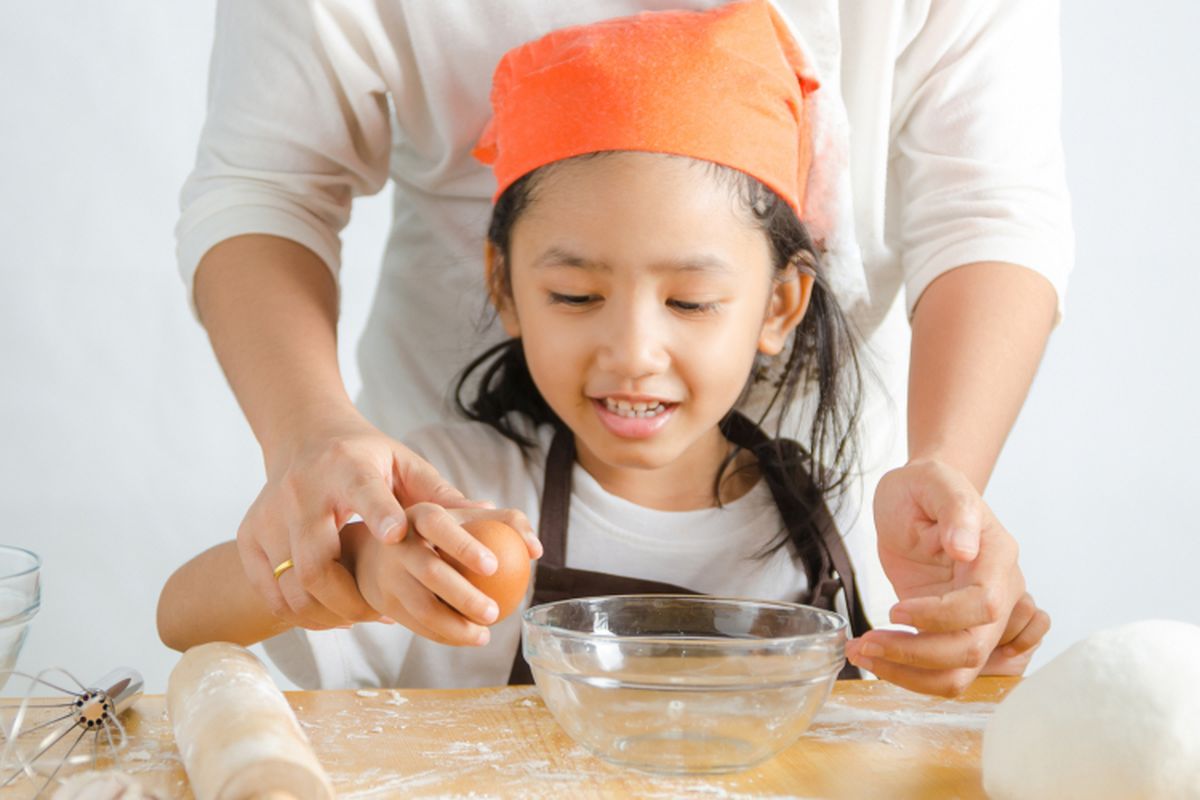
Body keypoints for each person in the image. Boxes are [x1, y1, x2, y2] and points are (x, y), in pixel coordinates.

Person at [161, 0, 1049, 694]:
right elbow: (180, 616)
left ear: (780, 305)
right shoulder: (460, 500)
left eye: (692, 300)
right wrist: (350, 561)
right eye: (577, 294)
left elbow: (990, 209)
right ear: (503, 288)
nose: (632, 350)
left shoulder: (837, 512)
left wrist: (971, 641)